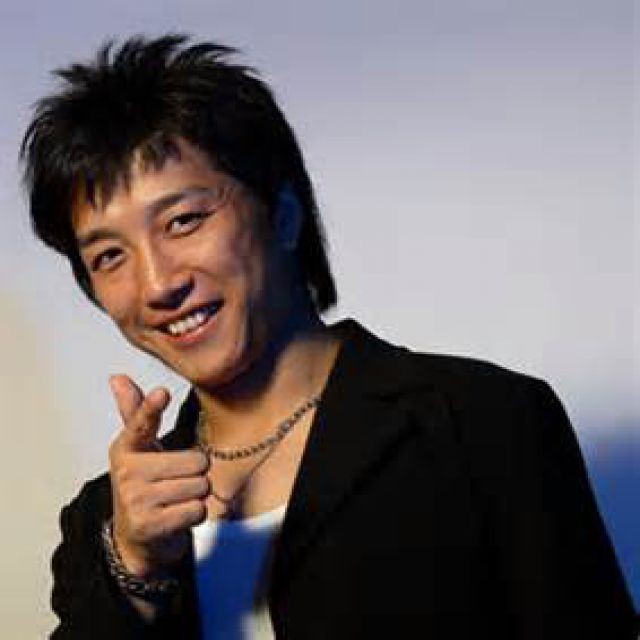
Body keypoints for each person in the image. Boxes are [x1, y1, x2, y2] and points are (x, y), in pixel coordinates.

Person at [21, 34, 636, 639]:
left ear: (283, 213)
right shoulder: (104, 524)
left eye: (183, 221)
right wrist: (135, 570)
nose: (157, 283)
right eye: (109, 256)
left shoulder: (481, 421)